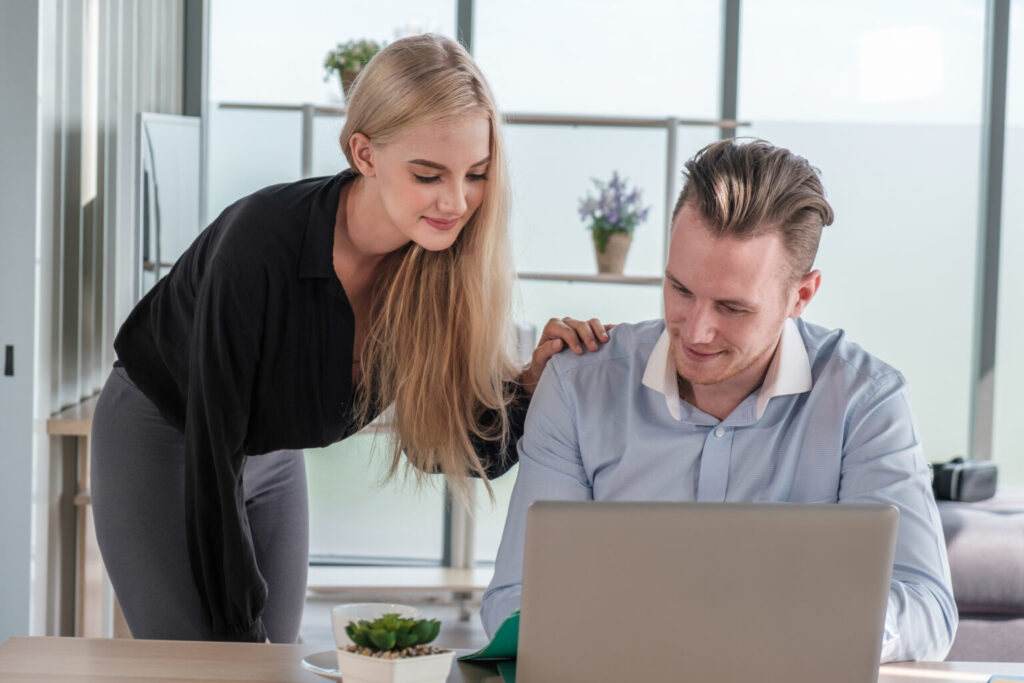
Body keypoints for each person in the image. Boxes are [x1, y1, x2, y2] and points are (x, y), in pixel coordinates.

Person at [90, 33, 608, 644]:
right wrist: (239, 629)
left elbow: (446, 445)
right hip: (168, 438)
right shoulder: (258, 246)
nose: (457, 201)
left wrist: (531, 383)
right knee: (215, 660)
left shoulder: (433, 268)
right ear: (364, 154)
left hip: (269, 453)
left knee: (272, 660)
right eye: (427, 174)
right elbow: (213, 452)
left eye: (476, 174)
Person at [481, 138, 958, 662]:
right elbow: (514, 601)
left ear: (801, 295)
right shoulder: (577, 386)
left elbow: (928, 608)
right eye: (680, 290)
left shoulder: (866, 403)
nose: (697, 331)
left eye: (732, 307)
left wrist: (799, 626)